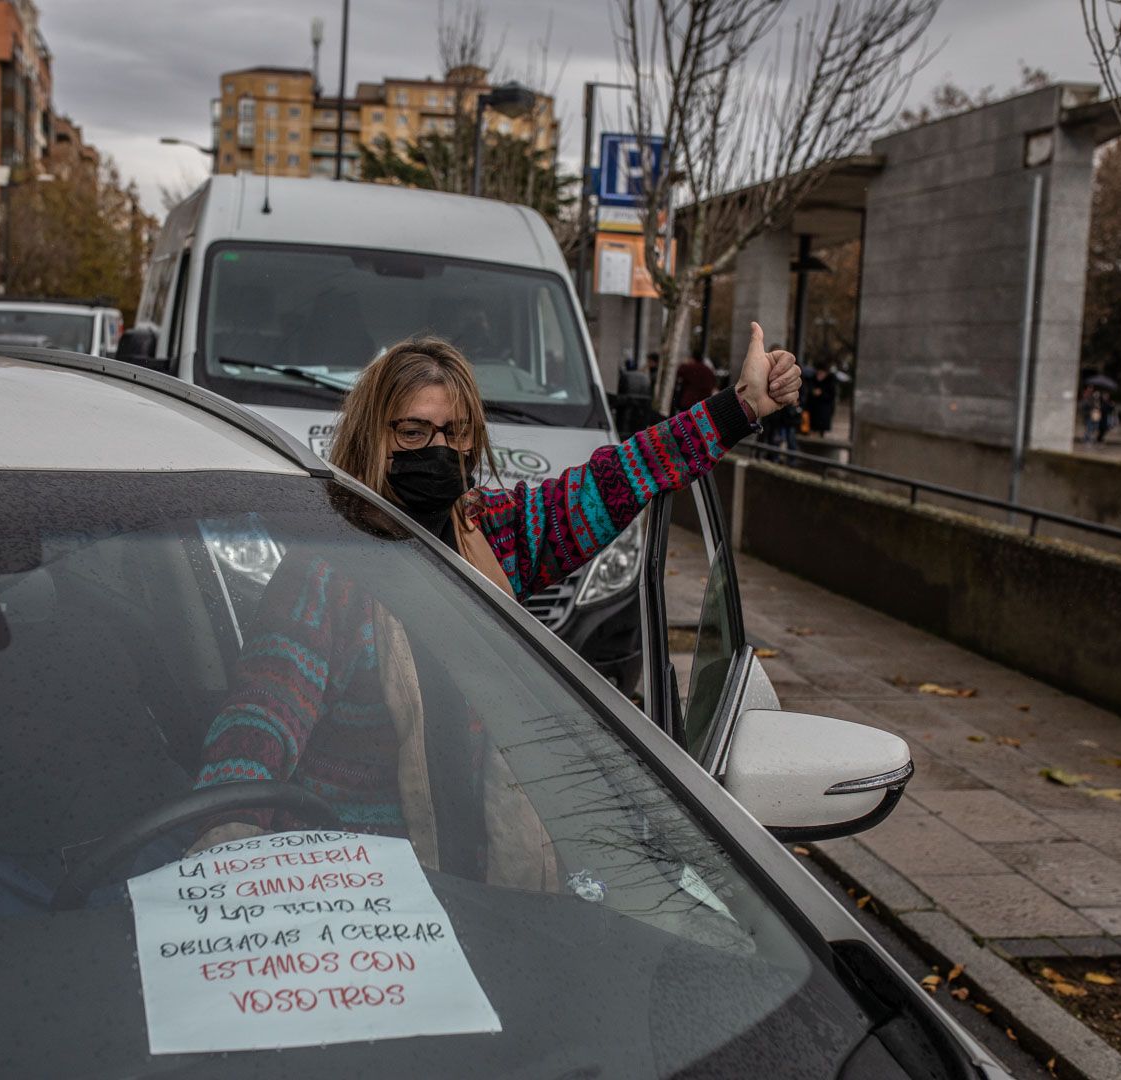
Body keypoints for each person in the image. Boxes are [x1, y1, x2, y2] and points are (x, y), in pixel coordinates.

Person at [190, 324, 800, 878]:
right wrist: (229, 845)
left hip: (490, 892)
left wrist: (740, 406)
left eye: (454, 433)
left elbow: (618, 480)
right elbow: (261, 717)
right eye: (412, 430)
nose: (437, 448)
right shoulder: (328, 572)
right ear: (369, 436)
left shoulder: (491, 536)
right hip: (370, 897)